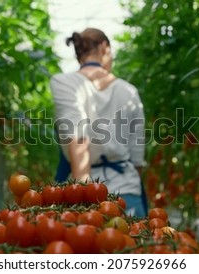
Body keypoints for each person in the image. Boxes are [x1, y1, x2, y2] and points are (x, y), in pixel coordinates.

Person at [50, 28, 148, 217]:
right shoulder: (129, 92)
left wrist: (82, 197)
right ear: (104, 47)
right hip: (127, 191)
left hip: (85, 187)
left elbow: (77, 138)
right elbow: (137, 159)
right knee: (136, 244)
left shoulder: (64, 83)